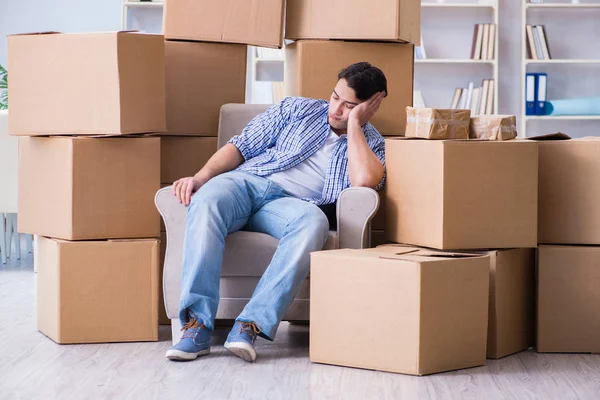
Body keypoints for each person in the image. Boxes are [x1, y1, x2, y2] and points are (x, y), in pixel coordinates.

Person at [166, 62, 388, 362]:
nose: (336, 109)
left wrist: (354, 125)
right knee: (205, 200)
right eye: (335, 97)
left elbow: (364, 181)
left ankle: (249, 325)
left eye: (349, 105)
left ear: (371, 105)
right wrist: (201, 177)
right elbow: (241, 146)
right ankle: (196, 326)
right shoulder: (296, 109)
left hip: (292, 206)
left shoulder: (373, 142)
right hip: (247, 183)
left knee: (313, 223)